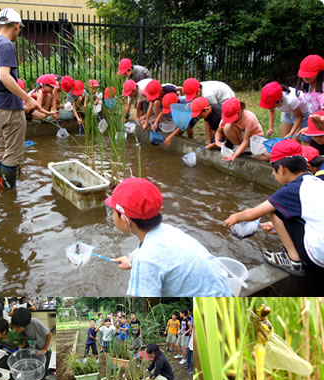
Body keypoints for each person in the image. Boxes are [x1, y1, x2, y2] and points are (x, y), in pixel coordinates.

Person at [105, 177, 233, 297]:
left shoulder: (145, 259)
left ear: (125, 220)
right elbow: (155, 254)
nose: (112, 217)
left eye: (113, 212)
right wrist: (131, 260)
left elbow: (145, 303)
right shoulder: (169, 231)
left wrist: (137, 263)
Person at [226, 139, 324, 275]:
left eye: (274, 171)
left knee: (276, 210)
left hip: (318, 257)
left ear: (282, 169)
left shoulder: (292, 189)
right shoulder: (316, 182)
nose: (273, 175)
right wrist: (280, 228)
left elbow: (252, 214)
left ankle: (293, 260)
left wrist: (235, 217)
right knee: (283, 212)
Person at [0, 8, 41, 190]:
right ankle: (9, 195)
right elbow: (4, 76)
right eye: (20, 28)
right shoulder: (6, 45)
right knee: (12, 152)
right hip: (9, 107)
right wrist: (27, 98)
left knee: (1, 147)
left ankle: (0, 187)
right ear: (16, 26)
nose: (19, 32)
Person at [218, 97, 269, 162]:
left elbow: (246, 140)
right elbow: (219, 131)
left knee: (267, 155)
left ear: (240, 111)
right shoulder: (228, 114)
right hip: (242, 136)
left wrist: (235, 155)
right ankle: (240, 148)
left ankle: (249, 152)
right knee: (227, 127)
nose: (231, 120)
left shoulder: (249, 118)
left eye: (232, 118)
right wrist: (217, 142)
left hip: (254, 138)